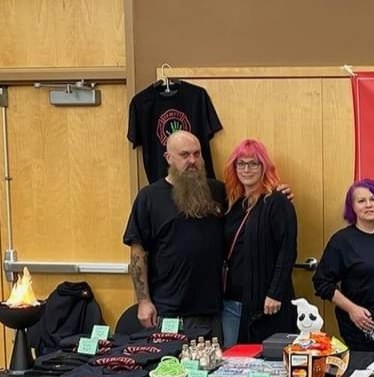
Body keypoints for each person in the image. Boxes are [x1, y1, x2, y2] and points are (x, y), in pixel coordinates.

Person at [123, 130, 226, 339]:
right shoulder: (149, 197)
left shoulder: (217, 191)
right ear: (169, 158)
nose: (192, 161)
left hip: (211, 312)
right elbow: (138, 253)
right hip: (168, 312)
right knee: (169, 361)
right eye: (185, 155)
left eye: (197, 154)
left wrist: (278, 192)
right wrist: (143, 301)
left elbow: (251, 202)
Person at [313, 179, 374, 352]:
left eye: (373, 199)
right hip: (361, 326)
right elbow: (321, 282)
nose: (368, 205)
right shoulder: (342, 241)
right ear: (353, 207)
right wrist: (352, 309)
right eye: (361, 201)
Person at [220, 138, 298, 347]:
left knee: (266, 360)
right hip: (231, 302)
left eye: (253, 163)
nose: (247, 169)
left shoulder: (277, 201)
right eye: (241, 163)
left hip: (266, 303)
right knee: (232, 360)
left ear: (264, 167)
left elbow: (287, 251)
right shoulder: (233, 204)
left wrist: (275, 293)